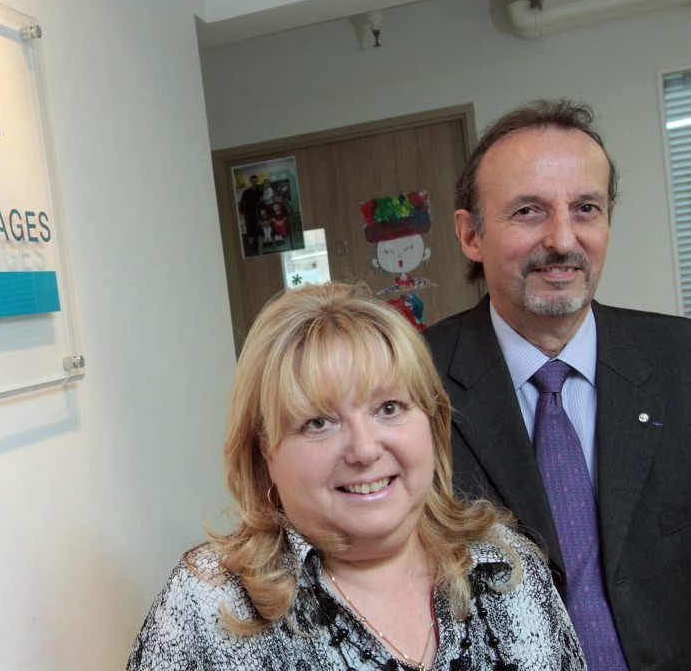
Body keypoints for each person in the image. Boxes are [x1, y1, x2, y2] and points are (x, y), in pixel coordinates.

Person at [129, 282, 585, 670]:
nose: (365, 449)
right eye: (318, 422)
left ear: (432, 420)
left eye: (390, 408)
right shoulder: (210, 603)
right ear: (265, 449)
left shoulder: (510, 567)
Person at [423, 99, 691, 670]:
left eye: (586, 208)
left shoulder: (682, 361)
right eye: (528, 211)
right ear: (471, 234)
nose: (563, 239)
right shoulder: (412, 384)